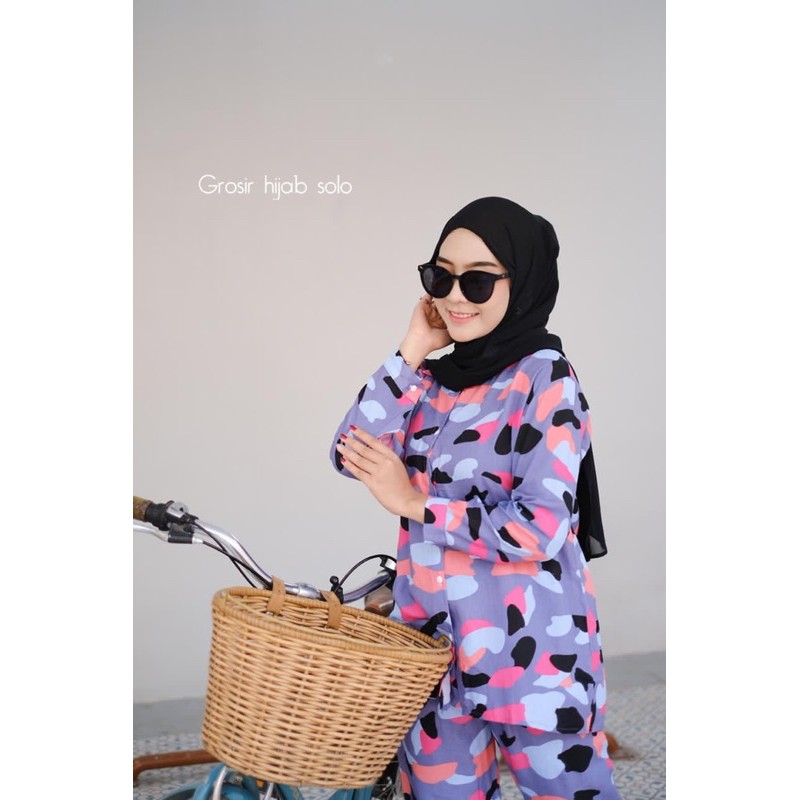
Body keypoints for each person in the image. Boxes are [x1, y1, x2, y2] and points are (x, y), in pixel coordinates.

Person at [330, 196, 621, 799]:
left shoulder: (545, 378)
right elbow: (348, 452)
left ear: (523, 282)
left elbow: (539, 527)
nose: (455, 297)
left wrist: (415, 504)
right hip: (433, 658)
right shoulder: (428, 382)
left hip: (533, 659)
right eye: (441, 277)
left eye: (478, 281)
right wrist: (413, 346)